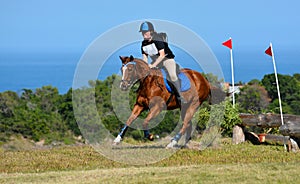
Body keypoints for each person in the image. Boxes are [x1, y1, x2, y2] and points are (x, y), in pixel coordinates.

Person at [139, 21, 186, 103]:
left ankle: (180, 97)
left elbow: (162, 55)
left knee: (172, 76)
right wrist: (145, 67)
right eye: (142, 32)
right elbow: (145, 58)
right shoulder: (143, 44)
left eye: (145, 32)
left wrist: (153, 65)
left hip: (167, 60)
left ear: (151, 31)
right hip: (156, 62)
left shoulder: (157, 39)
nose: (144, 34)